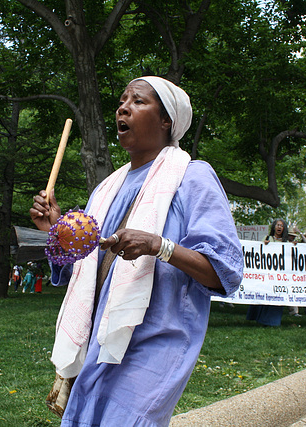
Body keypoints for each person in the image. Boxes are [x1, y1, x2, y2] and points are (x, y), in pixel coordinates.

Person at [30, 76, 243, 426]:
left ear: (166, 121)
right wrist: (58, 232)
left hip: (156, 339)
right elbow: (85, 272)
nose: (123, 107)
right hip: (101, 336)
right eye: (122, 100)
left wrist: (158, 246)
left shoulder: (192, 177)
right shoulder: (105, 189)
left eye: (138, 101)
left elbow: (224, 272)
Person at [249, 218, 291, 325]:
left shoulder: (286, 243)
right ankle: (260, 318)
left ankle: (273, 321)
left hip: (279, 276)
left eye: (281, 226)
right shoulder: (267, 238)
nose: (279, 227)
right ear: (274, 227)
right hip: (267, 274)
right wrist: (264, 244)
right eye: (277, 225)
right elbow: (258, 251)